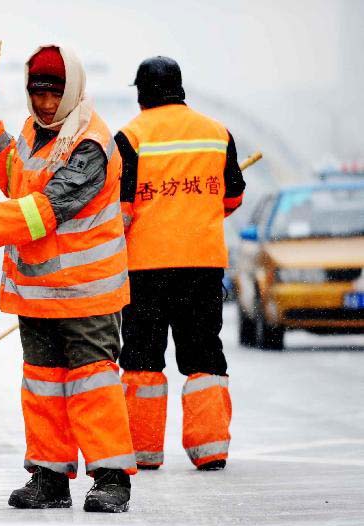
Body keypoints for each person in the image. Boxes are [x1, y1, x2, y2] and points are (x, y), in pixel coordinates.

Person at [0, 45, 137, 513]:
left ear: (73, 91)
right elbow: (18, 177)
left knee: (93, 385)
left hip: (87, 293)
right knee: (43, 387)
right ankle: (49, 478)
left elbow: (45, 210)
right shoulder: (34, 132)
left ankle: (111, 479)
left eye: (55, 94)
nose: (46, 104)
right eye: (38, 94)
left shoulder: (91, 143)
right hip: (37, 294)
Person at [115, 56, 245, 471]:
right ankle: (211, 450)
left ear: (141, 93)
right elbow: (233, 198)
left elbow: (121, 211)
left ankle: (143, 451)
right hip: (202, 267)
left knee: (142, 359)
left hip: (145, 270)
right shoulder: (216, 133)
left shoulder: (129, 138)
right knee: (204, 356)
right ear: (180, 88)